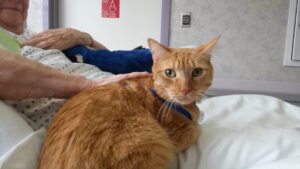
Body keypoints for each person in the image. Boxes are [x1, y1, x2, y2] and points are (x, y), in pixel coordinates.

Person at [0, 0, 150, 129]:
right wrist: (92, 87)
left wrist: (84, 38)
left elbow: (109, 58)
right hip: (98, 110)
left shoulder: (39, 37)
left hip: (119, 90)